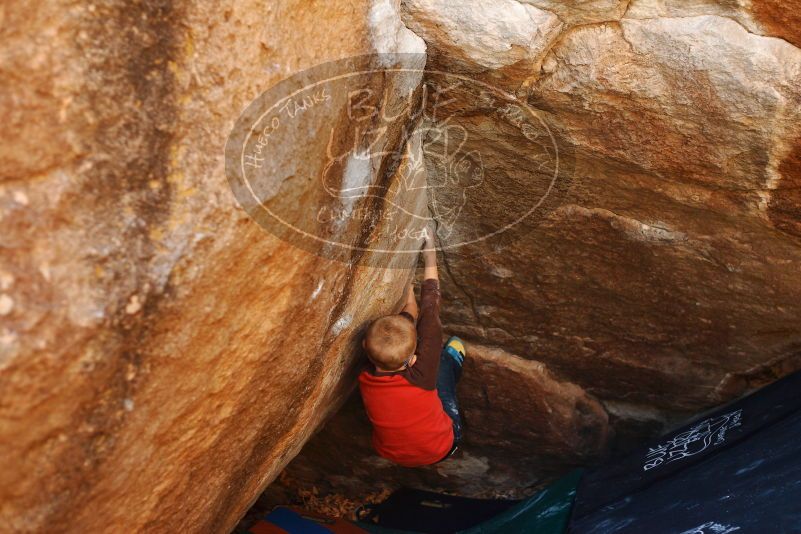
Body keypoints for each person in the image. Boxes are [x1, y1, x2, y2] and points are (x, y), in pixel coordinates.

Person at [358, 230, 466, 467]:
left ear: (365, 346)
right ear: (414, 360)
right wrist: (429, 258)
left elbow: (409, 319)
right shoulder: (423, 372)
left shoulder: (364, 376)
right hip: (443, 446)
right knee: (443, 359)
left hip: (392, 453)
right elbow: (429, 308)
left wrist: (404, 288)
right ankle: (453, 359)